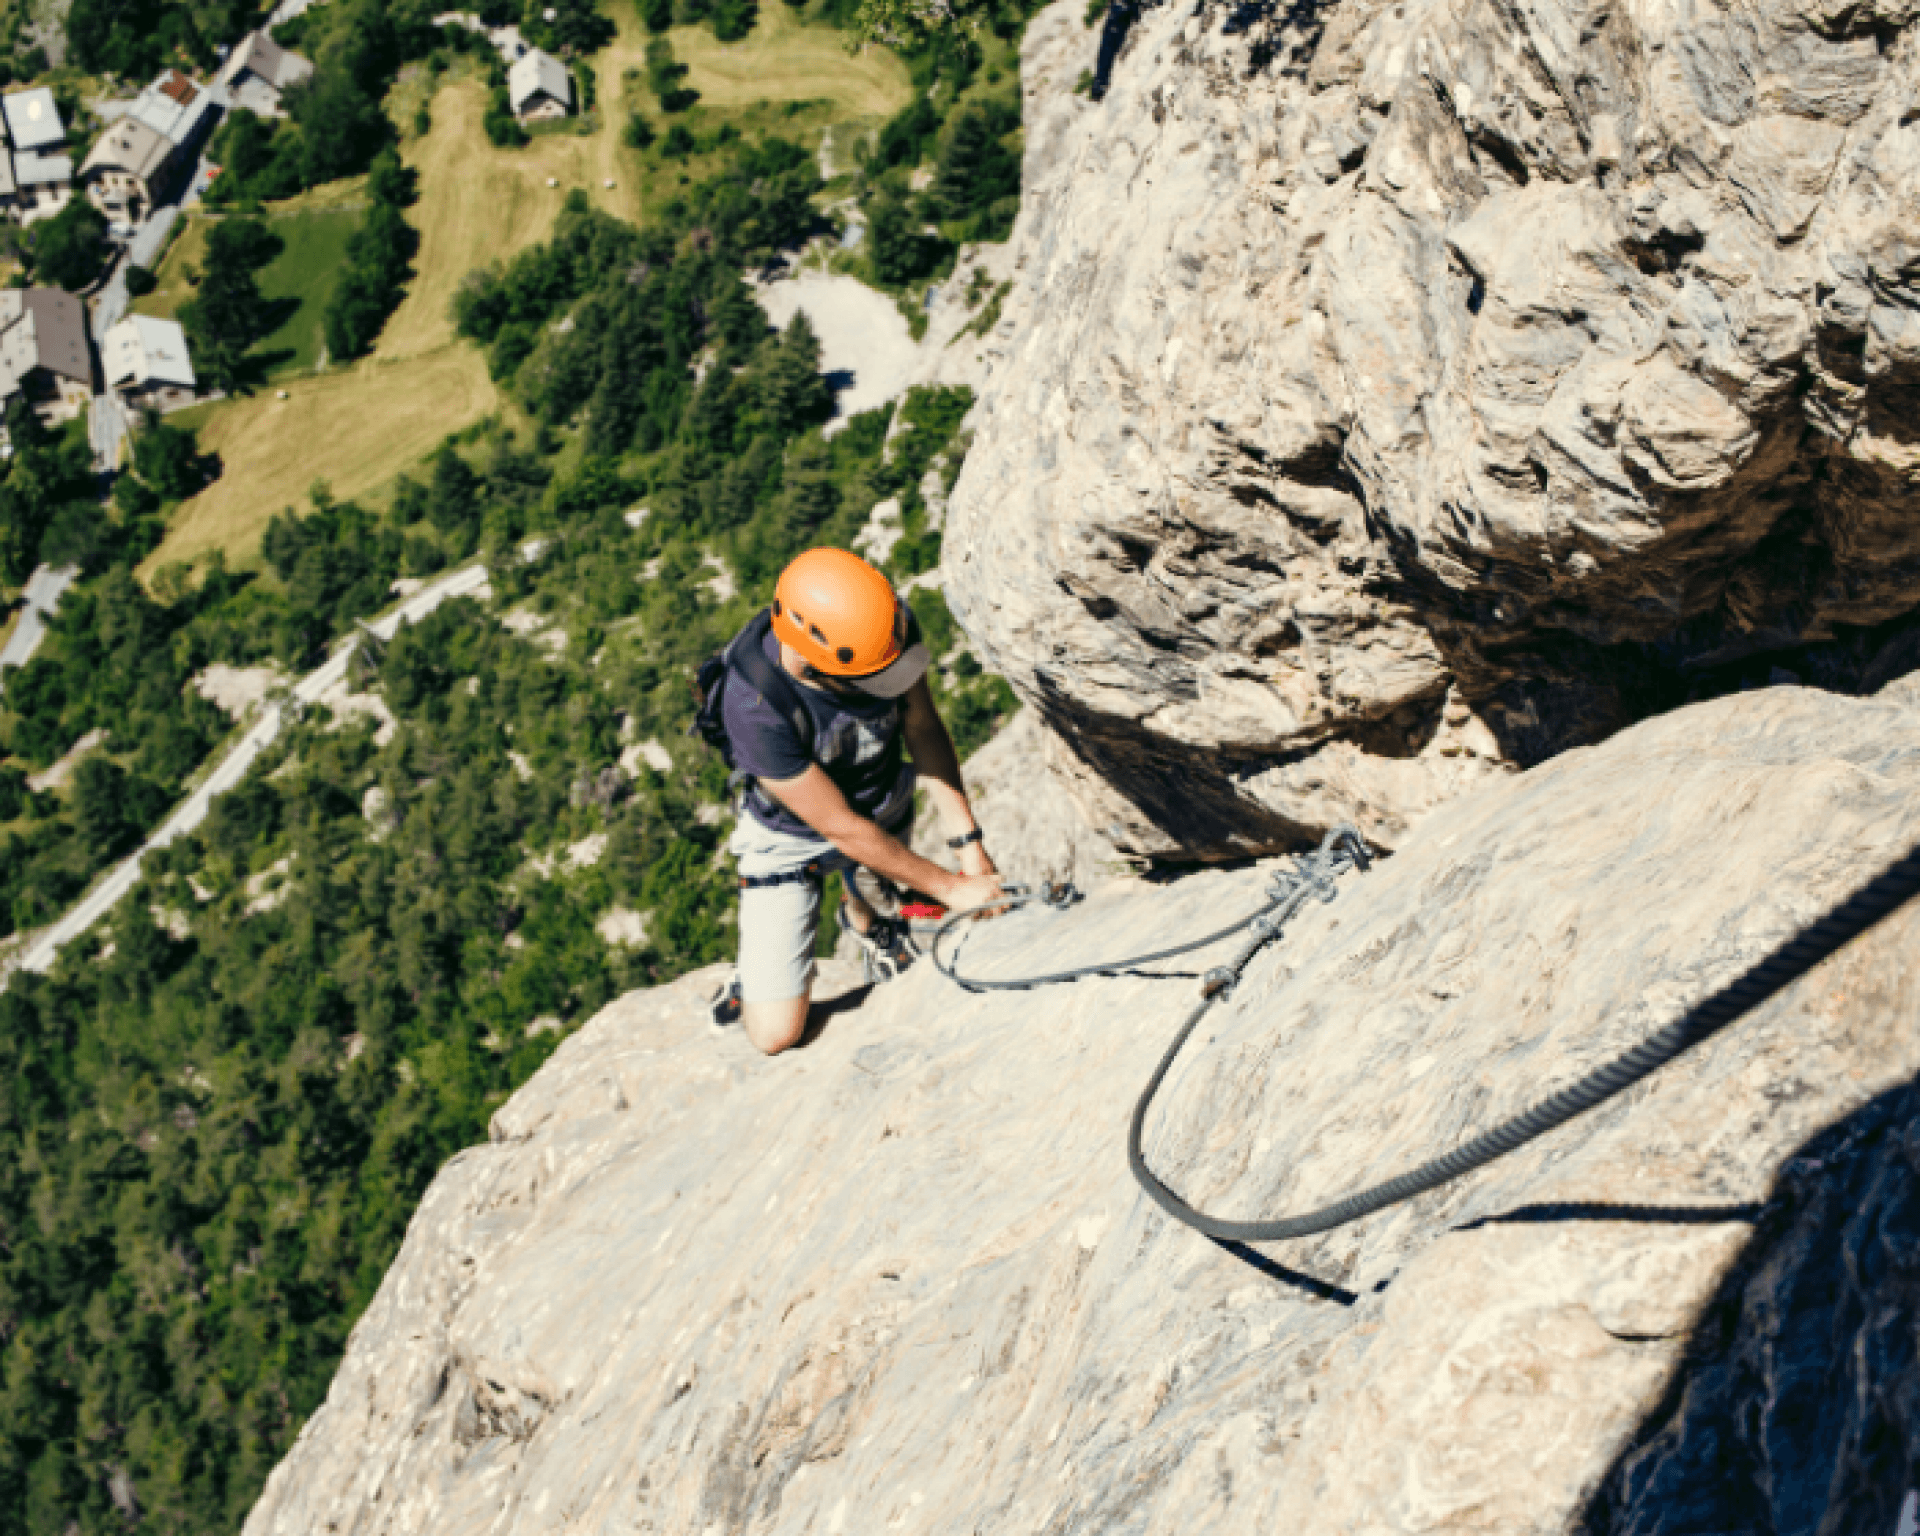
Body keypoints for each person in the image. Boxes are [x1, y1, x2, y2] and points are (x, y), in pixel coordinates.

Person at [710, 547, 1004, 1055]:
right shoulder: (753, 705)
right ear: (804, 650)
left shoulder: (882, 636)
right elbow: (839, 826)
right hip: (791, 835)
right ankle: (758, 971)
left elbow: (923, 727)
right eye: (863, 680)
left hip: (880, 796)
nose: (879, 688)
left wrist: (968, 846)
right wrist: (949, 889)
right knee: (775, 1034)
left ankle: (866, 922)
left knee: (882, 897)